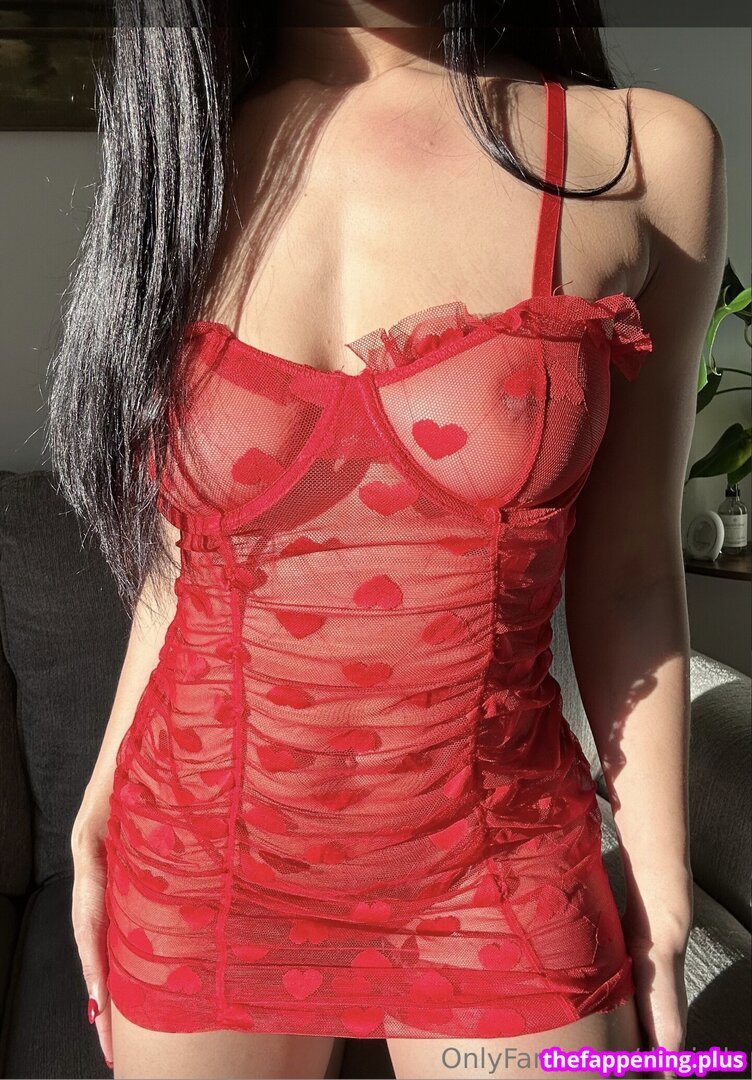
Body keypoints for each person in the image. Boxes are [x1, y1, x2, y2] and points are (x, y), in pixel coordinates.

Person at [49, 1, 726, 1078]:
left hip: (497, 867)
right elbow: (187, 561)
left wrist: (660, 882)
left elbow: (631, 570)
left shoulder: (640, 154)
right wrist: (97, 801)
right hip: (200, 865)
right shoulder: (179, 159)